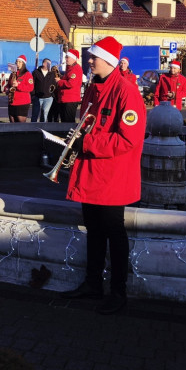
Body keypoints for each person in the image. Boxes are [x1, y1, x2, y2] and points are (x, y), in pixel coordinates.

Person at [58, 37, 146, 314]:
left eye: (93, 57)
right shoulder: (94, 88)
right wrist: (77, 141)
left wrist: (86, 143)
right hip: (92, 171)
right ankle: (93, 283)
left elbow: (128, 139)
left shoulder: (126, 92)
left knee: (114, 232)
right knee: (94, 230)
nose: (89, 60)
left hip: (112, 175)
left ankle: (118, 292)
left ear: (108, 60)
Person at [56, 50, 83, 123]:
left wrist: (59, 81)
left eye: (67, 57)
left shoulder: (75, 68)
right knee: (64, 121)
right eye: (66, 57)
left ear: (73, 58)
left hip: (70, 99)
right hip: (65, 99)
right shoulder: (70, 68)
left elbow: (71, 83)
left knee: (68, 122)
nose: (66, 59)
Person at [7, 55, 35, 123]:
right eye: (17, 62)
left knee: (21, 123)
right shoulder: (13, 74)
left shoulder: (27, 74)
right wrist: (6, 89)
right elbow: (8, 85)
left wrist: (18, 85)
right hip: (12, 101)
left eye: (20, 62)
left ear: (23, 64)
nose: (17, 63)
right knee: (12, 122)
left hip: (22, 102)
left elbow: (30, 88)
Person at [32, 58, 57, 123]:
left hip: (48, 98)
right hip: (37, 97)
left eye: (50, 64)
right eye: (48, 63)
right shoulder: (36, 72)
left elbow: (54, 85)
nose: (49, 65)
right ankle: (32, 127)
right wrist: (33, 95)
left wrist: (52, 94)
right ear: (43, 63)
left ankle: (42, 126)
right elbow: (32, 84)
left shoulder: (52, 73)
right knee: (35, 113)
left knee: (45, 114)